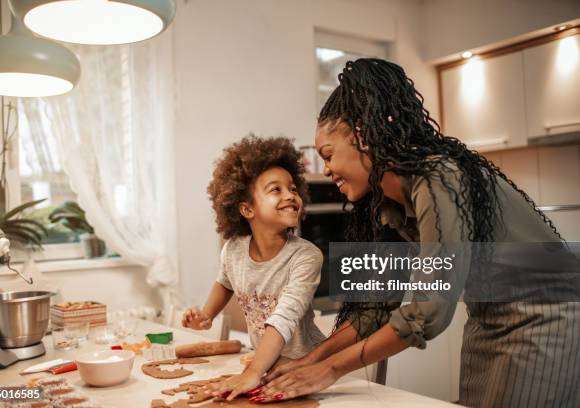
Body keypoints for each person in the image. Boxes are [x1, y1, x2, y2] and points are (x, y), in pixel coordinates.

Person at [255, 58, 580, 407]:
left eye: (329, 155)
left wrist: (330, 369)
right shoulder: (388, 203)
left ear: (362, 136)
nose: (328, 170)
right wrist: (308, 362)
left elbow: (428, 311)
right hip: (487, 318)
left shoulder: (438, 177)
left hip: (545, 314)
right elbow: (375, 308)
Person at [181, 135, 326, 401]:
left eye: (293, 189)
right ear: (247, 208)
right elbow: (225, 282)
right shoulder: (233, 249)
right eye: (276, 190)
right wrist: (206, 315)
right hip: (265, 366)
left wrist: (254, 370)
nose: (290, 196)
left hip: (305, 369)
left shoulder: (306, 256)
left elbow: (284, 318)